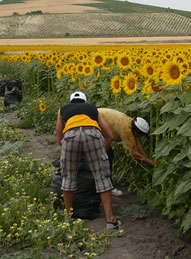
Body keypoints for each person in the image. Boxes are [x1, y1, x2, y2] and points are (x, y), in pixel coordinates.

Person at [56, 91, 120, 230]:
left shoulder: (63, 110)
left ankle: (68, 217)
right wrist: (100, 152)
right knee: (102, 177)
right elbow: (108, 135)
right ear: (84, 102)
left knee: (68, 177)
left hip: (70, 136)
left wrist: (74, 153)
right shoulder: (92, 109)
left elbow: (59, 137)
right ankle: (110, 220)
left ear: (70, 101)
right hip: (92, 133)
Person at [97, 108, 154, 196]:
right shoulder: (127, 131)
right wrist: (151, 163)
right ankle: (107, 187)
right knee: (106, 156)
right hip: (95, 124)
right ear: (136, 131)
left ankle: (100, 183)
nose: (140, 137)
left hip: (97, 119)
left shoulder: (130, 123)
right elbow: (134, 154)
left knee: (106, 154)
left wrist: (146, 159)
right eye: (141, 135)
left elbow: (138, 145)